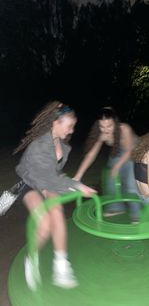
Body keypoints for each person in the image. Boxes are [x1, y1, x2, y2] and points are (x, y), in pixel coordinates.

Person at [13, 100, 96, 290]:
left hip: (48, 183)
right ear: (55, 123)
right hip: (30, 185)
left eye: (73, 126)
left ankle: (61, 266)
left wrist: (73, 185)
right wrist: (74, 185)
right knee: (44, 223)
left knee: (56, 209)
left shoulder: (63, 146)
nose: (72, 130)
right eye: (69, 126)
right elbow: (39, 175)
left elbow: (54, 175)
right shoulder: (39, 145)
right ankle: (31, 259)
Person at [73, 107, 140, 223]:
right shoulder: (102, 135)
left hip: (135, 151)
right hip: (120, 153)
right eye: (102, 126)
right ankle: (116, 207)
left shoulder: (124, 129)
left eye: (109, 126)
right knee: (110, 177)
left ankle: (136, 213)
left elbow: (130, 151)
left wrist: (117, 166)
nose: (105, 130)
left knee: (130, 182)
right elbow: (91, 156)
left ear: (115, 122)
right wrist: (77, 176)